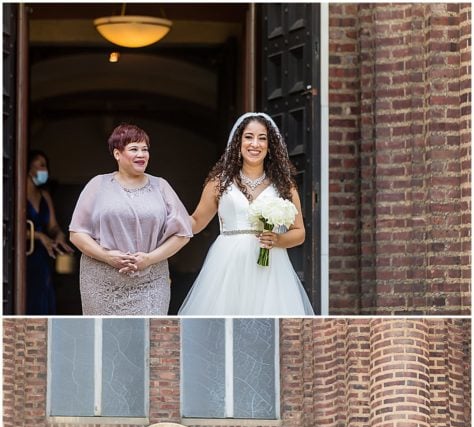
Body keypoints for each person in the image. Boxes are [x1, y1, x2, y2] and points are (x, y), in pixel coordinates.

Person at [179, 112, 313, 315]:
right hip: (228, 265)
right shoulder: (220, 182)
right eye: (249, 137)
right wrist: (167, 222)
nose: (255, 144)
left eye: (262, 138)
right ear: (238, 143)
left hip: (271, 268)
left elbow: (299, 232)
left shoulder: (284, 185)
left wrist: (277, 239)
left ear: (270, 146)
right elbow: (196, 221)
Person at [69, 124, 192, 314]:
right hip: (102, 282)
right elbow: (77, 233)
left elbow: (183, 234)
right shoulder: (97, 184)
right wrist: (107, 256)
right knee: (105, 338)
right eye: (134, 149)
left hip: (151, 280)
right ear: (117, 154)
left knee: (147, 338)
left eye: (145, 149)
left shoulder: (161, 186)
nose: (141, 154)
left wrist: (150, 259)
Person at [26, 150, 73, 314]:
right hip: (23, 253)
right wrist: (38, 236)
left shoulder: (45, 195)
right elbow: (11, 230)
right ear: (28, 166)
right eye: (41, 165)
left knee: (43, 293)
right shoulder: (15, 194)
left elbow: (53, 226)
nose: (44, 170)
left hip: (43, 255)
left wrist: (59, 236)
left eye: (46, 166)